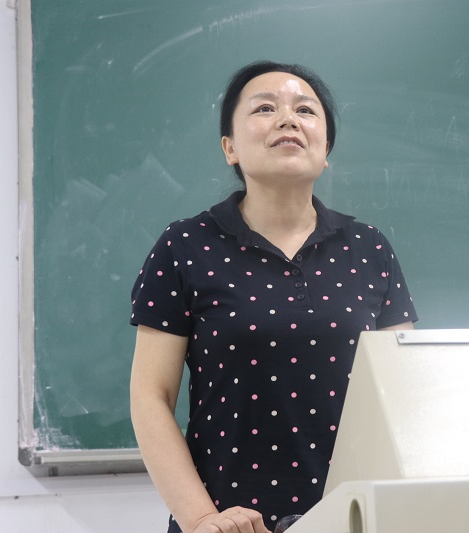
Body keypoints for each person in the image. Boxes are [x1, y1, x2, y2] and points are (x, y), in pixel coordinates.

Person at [129, 60, 417, 533]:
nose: (288, 119)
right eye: (265, 108)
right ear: (230, 148)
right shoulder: (186, 245)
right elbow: (150, 396)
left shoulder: (370, 249)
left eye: (305, 110)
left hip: (354, 520)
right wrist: (203, 519)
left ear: (326, 150)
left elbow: (402, 396)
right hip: (228, 523)